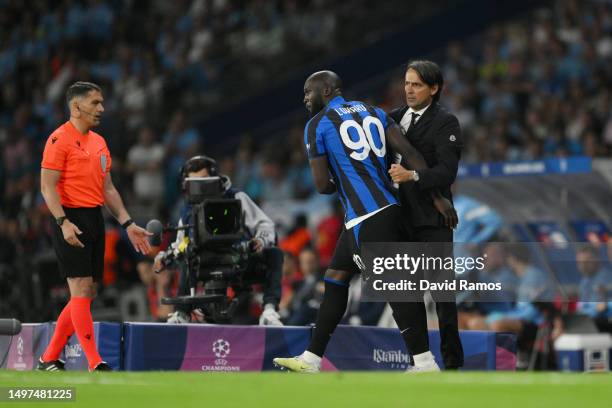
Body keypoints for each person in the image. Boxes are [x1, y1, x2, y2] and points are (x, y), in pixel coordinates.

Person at [273, 70, 456, 373]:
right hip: (386, 208)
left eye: (309, 91)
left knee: (395, 287)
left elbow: (321, 185)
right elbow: (410, 152)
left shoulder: (316, 125)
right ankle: (311, 358)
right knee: (336, 278)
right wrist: (437, 197)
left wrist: (341, 181)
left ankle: (425, 363)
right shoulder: (375, 112)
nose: (305, 98)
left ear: (329, 89)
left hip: (366, 216)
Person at [37, 81, 152, 372]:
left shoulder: (99, 142)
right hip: (69, 218)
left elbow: (108, 189)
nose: (101, 108)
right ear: (76, 107)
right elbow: (47, 188)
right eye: (95, 103)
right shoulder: (58, 140)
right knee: (81, 288)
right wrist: (62, 223)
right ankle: (94, 361)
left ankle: (49, 357)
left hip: (94, 218)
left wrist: (127, 222)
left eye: (102, 102)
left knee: (87, 293)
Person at [387, 60, 464, 369]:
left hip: (433, 221)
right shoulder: (393, 119)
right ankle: (420, 361)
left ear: (434, 89)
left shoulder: (446, 123)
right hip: (400, 220)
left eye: (417, 84)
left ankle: (453, 364)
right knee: (408, 296)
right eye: (407, 83)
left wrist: (413, 177)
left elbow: (447, 171)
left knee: (443, 298)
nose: (409, 89)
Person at [155, 155, 284, 326]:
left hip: (238, 259)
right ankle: (181, 313)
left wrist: (260, 241)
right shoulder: (187, 210)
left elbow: (266, 226)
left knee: (274, 254)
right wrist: (166, 256)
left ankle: (269, 310)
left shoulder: (236, 197)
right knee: (187, 255)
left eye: (204, 181)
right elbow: (181, 243)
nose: (199, 187)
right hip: (203, 262)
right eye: (193, 182)